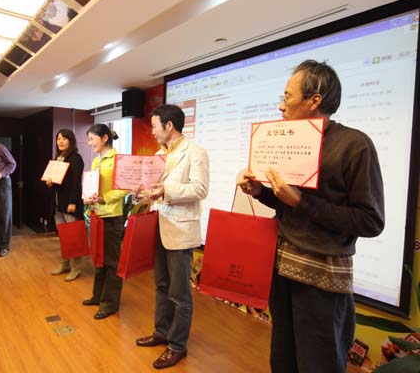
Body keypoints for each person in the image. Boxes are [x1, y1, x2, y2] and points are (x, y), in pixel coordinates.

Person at [238, 60, 385, 373]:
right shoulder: (290, 141)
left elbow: (370, 220)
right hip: (281, 269)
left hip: (322, 281)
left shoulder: (354, 145)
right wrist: (261, 192)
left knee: (319, 363)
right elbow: (289, 206)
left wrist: (300, 201)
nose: (281, 106)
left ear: (314, 100)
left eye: (287, 97)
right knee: (283, 360)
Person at [134, 104, 209, 370]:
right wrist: (140, 193)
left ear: (169, 125)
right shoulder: (158, 155)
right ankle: (162, 332)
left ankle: (178, 346)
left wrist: (165, 190)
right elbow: (151, 191)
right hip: (159, 225)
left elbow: (200, 189)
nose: (153, 132)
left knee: (180, 294)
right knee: (161, 286)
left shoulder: (196, 152)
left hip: (180, 230)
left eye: (155, 126)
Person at [82, 124, 127, 319]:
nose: (89, 143)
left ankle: (110, 303)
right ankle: (98, 296)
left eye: (92, 139)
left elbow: (125, 188)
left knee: (111, 262)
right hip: (97, 214)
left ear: (105, 138)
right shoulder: (96, 160)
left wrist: (104, 198)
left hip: (111, 215)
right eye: (88, 139)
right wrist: (88, 198)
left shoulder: (118, 159)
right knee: (99, 259)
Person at [46, 129, 85, 282]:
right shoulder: (58, 159)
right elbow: (58, 183)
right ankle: (65, 264)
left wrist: (73, 202)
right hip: (57, 204)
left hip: (70, 204)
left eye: (64, 138)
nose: (60, 141)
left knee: (73, 236)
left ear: (71, 140)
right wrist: (50, 183)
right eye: (58, 139)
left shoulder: (76, 158)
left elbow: (76, 183)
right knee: (63, 236)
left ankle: (76, 268)